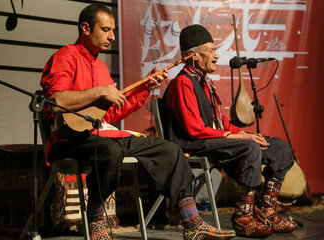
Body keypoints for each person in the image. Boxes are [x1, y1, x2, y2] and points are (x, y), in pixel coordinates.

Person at [40, 4, 235, 240]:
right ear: (85, 28)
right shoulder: (65, 57)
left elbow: (109, 115)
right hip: (69, 139)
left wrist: (144, 87)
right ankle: (95, 218)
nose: (112, 37)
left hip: (99, 134)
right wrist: (100, 91)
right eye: (106, 30)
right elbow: (55, 100)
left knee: (169, 150)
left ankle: (192, 223)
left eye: (113, 30)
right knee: (109, 151)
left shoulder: (100, 66)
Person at [162, 24, 298, 238]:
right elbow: (194, 129)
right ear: (193, 55)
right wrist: (238, 136)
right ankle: (243, 218)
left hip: (211, 139)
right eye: (211, 50)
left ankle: (265, 211)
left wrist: (245, 133)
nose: (217, 55)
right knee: (249, 147)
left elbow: (221, 122)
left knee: (279, 147)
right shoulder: (182, 83)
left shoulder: (205, 83)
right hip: (193, 144)